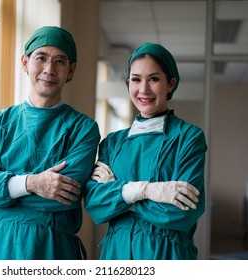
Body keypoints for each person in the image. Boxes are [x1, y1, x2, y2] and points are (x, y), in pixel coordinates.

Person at [0, 26, 100, 260]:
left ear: (71, 70)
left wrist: (3, 190)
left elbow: (65, 194)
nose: (49, 69)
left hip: (52, 250)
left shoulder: (82, 129)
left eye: (59, 61)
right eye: (41, 58)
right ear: (25, 63)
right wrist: (31, 183)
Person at [84, 42, 207, 260]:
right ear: (128, 83)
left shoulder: (188, 138)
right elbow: (95, 205)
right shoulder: (112, 143)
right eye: (136, 79)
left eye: (154, 79)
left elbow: (182, 212)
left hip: (168, 254)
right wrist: (146, 190)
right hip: (117, 254)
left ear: (170, 84)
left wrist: (118, 193)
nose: (144, 90)